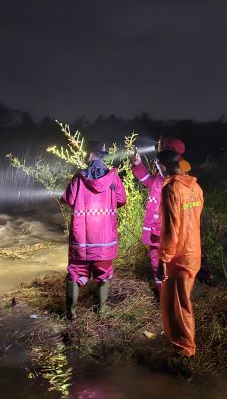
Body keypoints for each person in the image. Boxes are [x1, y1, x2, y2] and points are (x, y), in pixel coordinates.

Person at [61, 141, 127, 320]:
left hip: (81, 239)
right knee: (103, 273)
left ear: (90, 155)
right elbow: (122, 200)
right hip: (105, 240)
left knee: (75, 272)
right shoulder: (113, 178)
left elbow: (68, 200)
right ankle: (102, 311)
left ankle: (71, 314)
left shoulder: (78, 178)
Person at [156, 148, 204, 357]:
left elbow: (170, 229)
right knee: (177, 302)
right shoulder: (195, 186)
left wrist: (163, 259)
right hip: (193, 251)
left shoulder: (171, 189)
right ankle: (177, 341)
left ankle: (186, 349)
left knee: (178, 304)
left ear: (162, 166)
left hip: (178, 256)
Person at [130, 137, 186, 294]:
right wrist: (138, 165)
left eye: (162, 149)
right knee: (156, 261)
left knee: (170, 261)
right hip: (156, 231)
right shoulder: (162, 176)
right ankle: (162, 293)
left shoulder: (177, 178)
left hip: (168, 230)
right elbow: (148, 181)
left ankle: (172, 293)